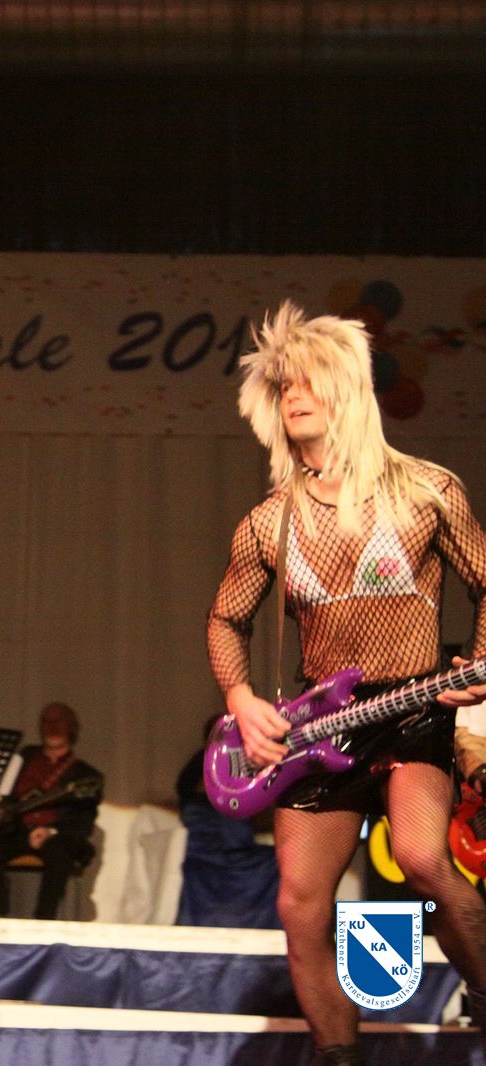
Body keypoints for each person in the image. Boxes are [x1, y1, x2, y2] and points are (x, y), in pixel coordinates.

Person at [207, 301, 486, 1066]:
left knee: (424, 859)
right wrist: (241, 700)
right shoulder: (268, 522)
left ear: (348, 389)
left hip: (414, 710)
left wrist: (476, 668)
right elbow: (225, 620)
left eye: (310, 381)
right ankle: (337, 1055)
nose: (295, 395)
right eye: (283, 385)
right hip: (321, 727)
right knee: (299, 903)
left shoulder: (427, 490)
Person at [0, 702, 102, 920]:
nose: (52, 726)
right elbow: (6, 796)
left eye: (58, 721)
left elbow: (83, 824)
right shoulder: (25, 758)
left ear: (71, 726)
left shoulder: (86, 776)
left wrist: (50, 831)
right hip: (19, 831)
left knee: (58, 852)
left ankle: (44, 920)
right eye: (46, 721)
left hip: (57, 836)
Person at [173, 714, 280, 928]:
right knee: (280, 863)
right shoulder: (229, 763)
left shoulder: (198, 765)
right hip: (219, 856)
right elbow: (237, 835)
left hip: (203, 855)